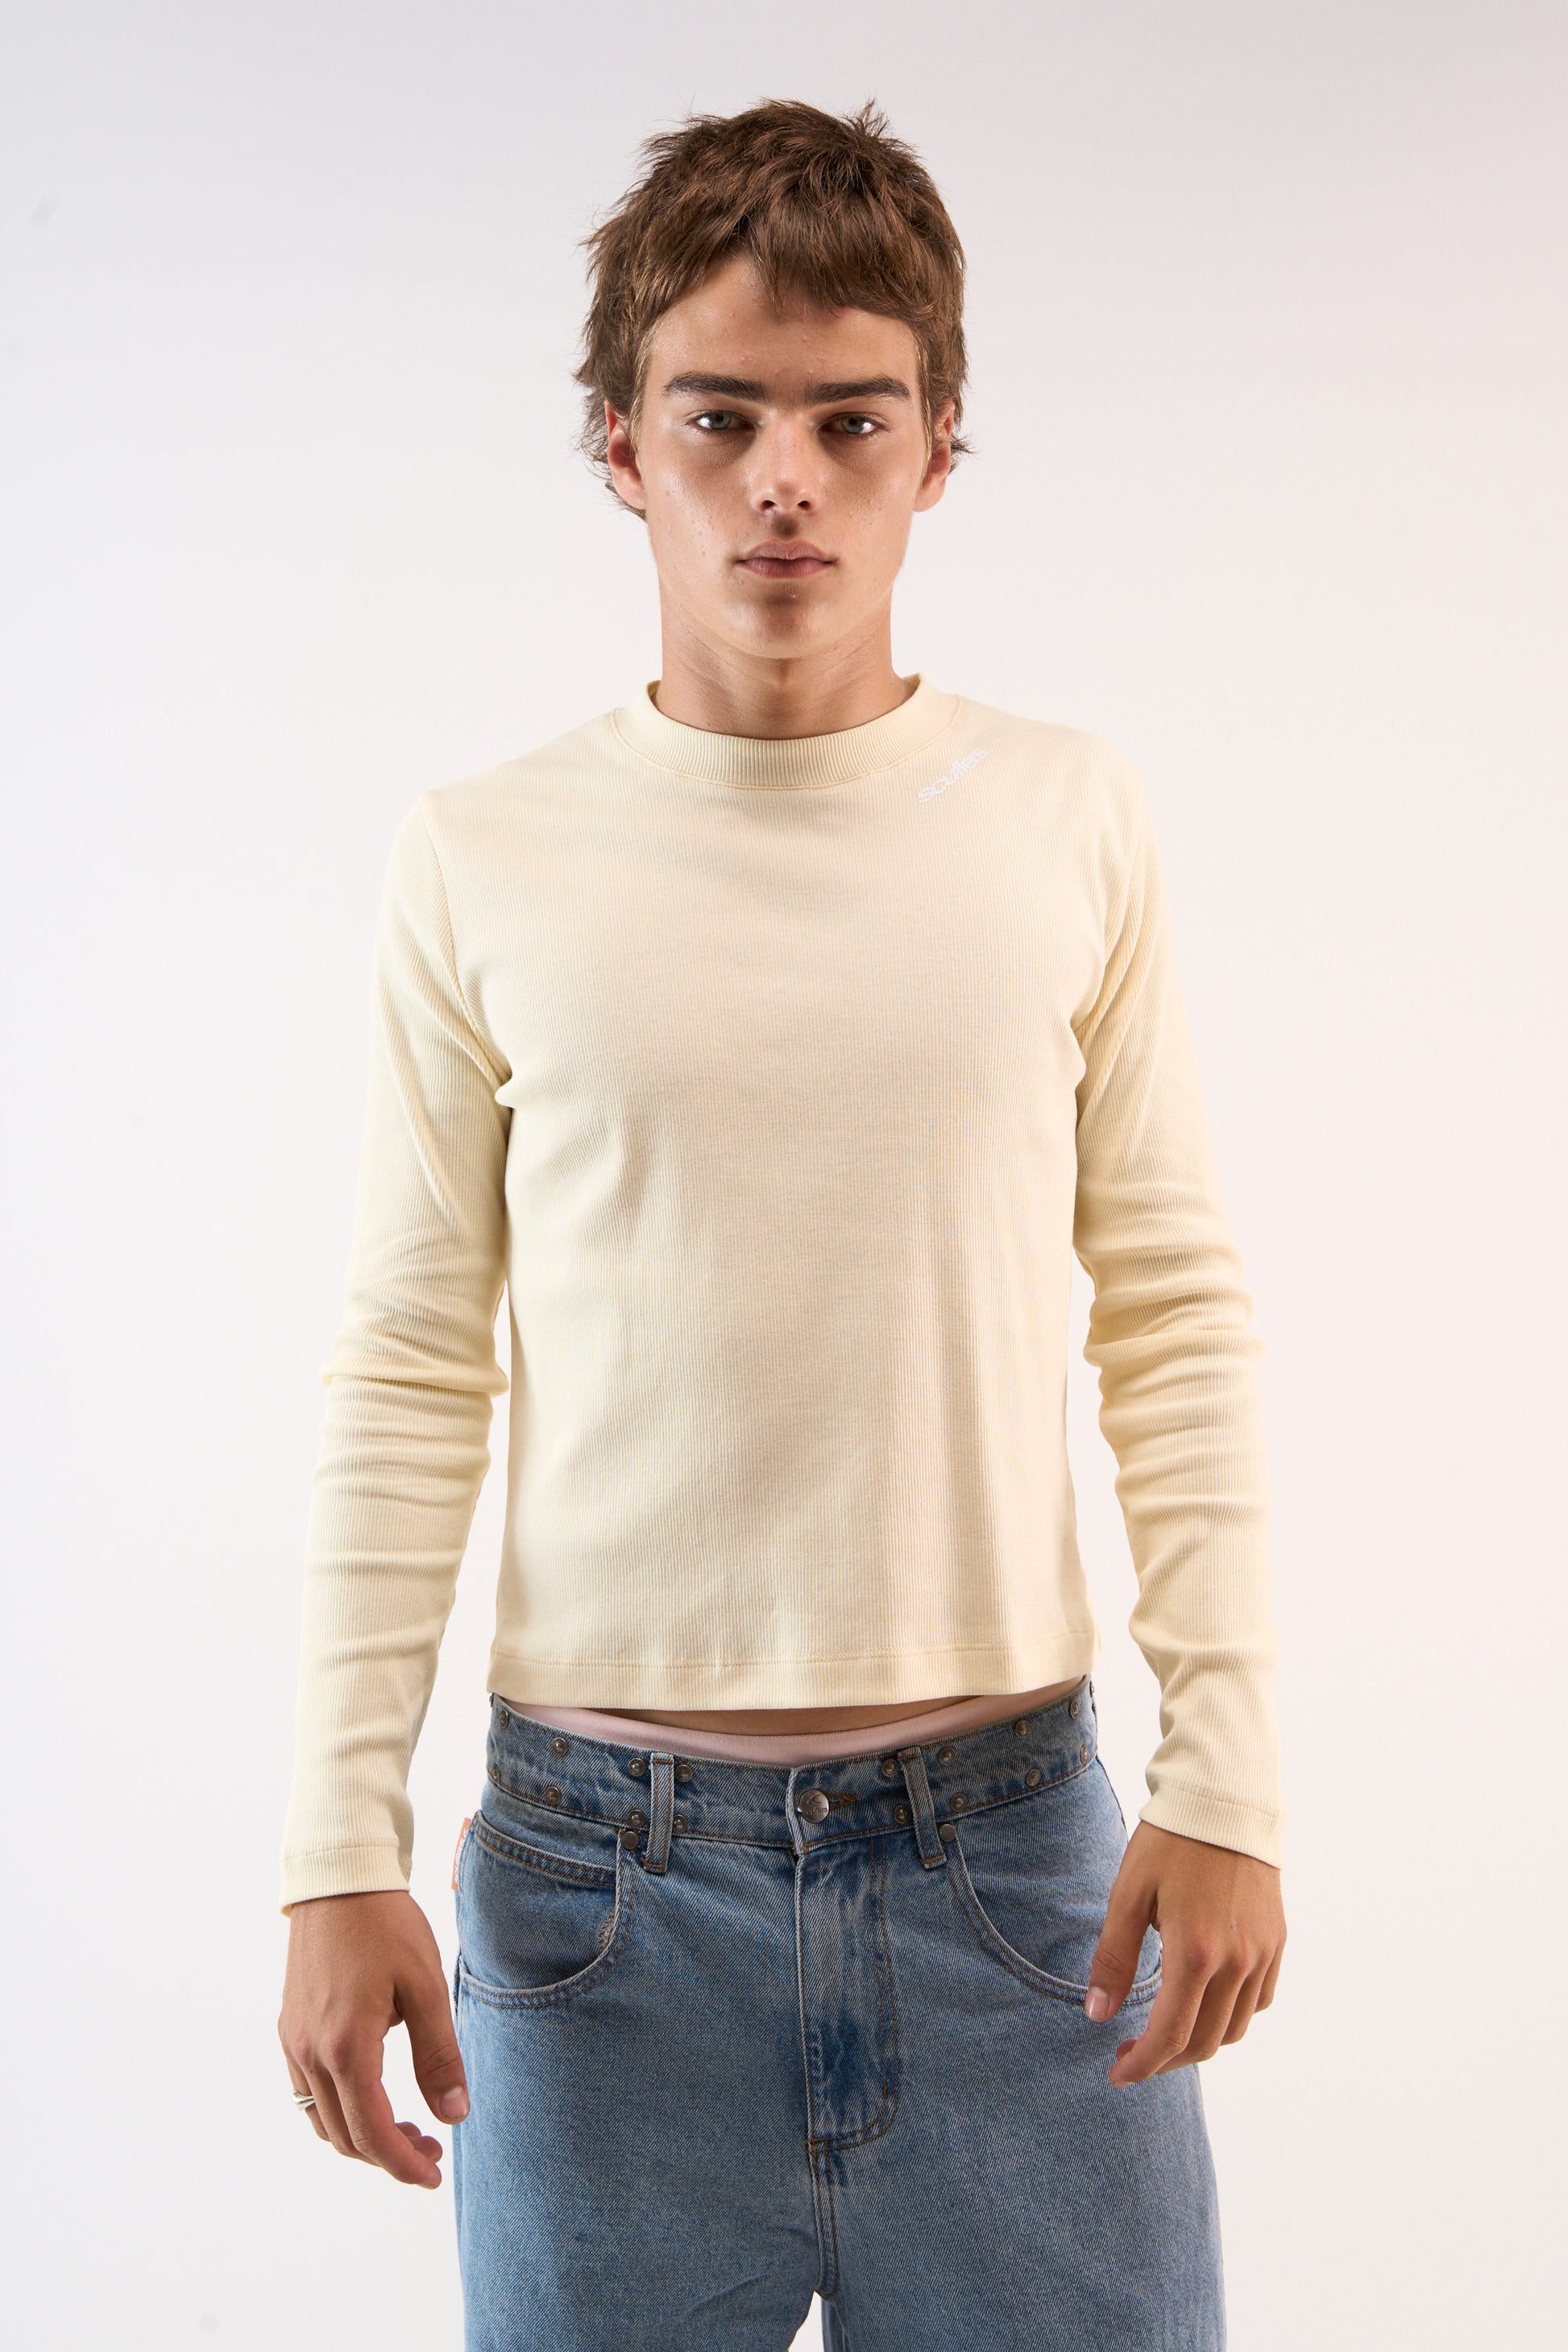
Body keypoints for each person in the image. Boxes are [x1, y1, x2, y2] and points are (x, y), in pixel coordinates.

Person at [278, 97, 1286, 2351]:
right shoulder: (483, 854)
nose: (784, 482)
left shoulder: (1066, 817)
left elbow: (1174, 1310)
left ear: (938, 450)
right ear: (621, 447)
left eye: (851, 420)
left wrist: (1227, 1777)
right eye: (719, 418)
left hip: (1018, 1885)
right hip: (597, 1909)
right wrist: (336, 1844)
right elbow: (411, 1356)